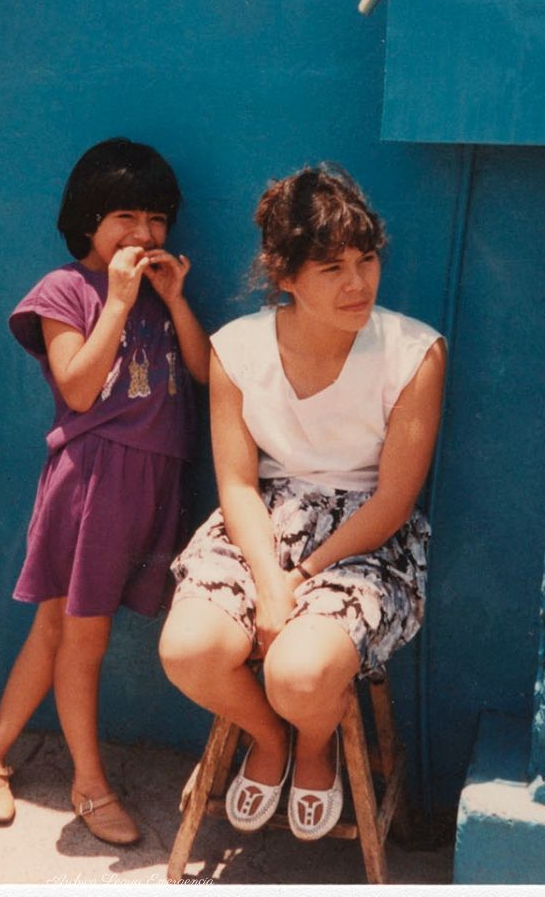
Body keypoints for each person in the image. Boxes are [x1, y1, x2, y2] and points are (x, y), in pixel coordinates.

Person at [159, 164, 445, 841]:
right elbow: (236, 484)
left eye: (366, 259)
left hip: (365, 537)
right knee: (188, 651)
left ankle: (316, 747)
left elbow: (394, 498)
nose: (357, 283)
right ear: (283, 275)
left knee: (300, 673)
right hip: (262, 525)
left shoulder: (413, 353)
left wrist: (303, 578)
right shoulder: (236, 349)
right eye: (331, 268)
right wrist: (269, 580)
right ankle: (271, 740)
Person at [0, 138, 210, 846]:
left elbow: (202, 372)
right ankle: (88, 783)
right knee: (84, 638)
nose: (143, 234)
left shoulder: (160, 292)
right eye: (125, 217)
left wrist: (173, 300)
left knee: (56, 628)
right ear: (88, 220)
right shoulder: (65, 290)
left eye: (156, 219)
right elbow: (76, 389)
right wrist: (119, 301)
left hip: (150, 484)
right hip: (93, 485)